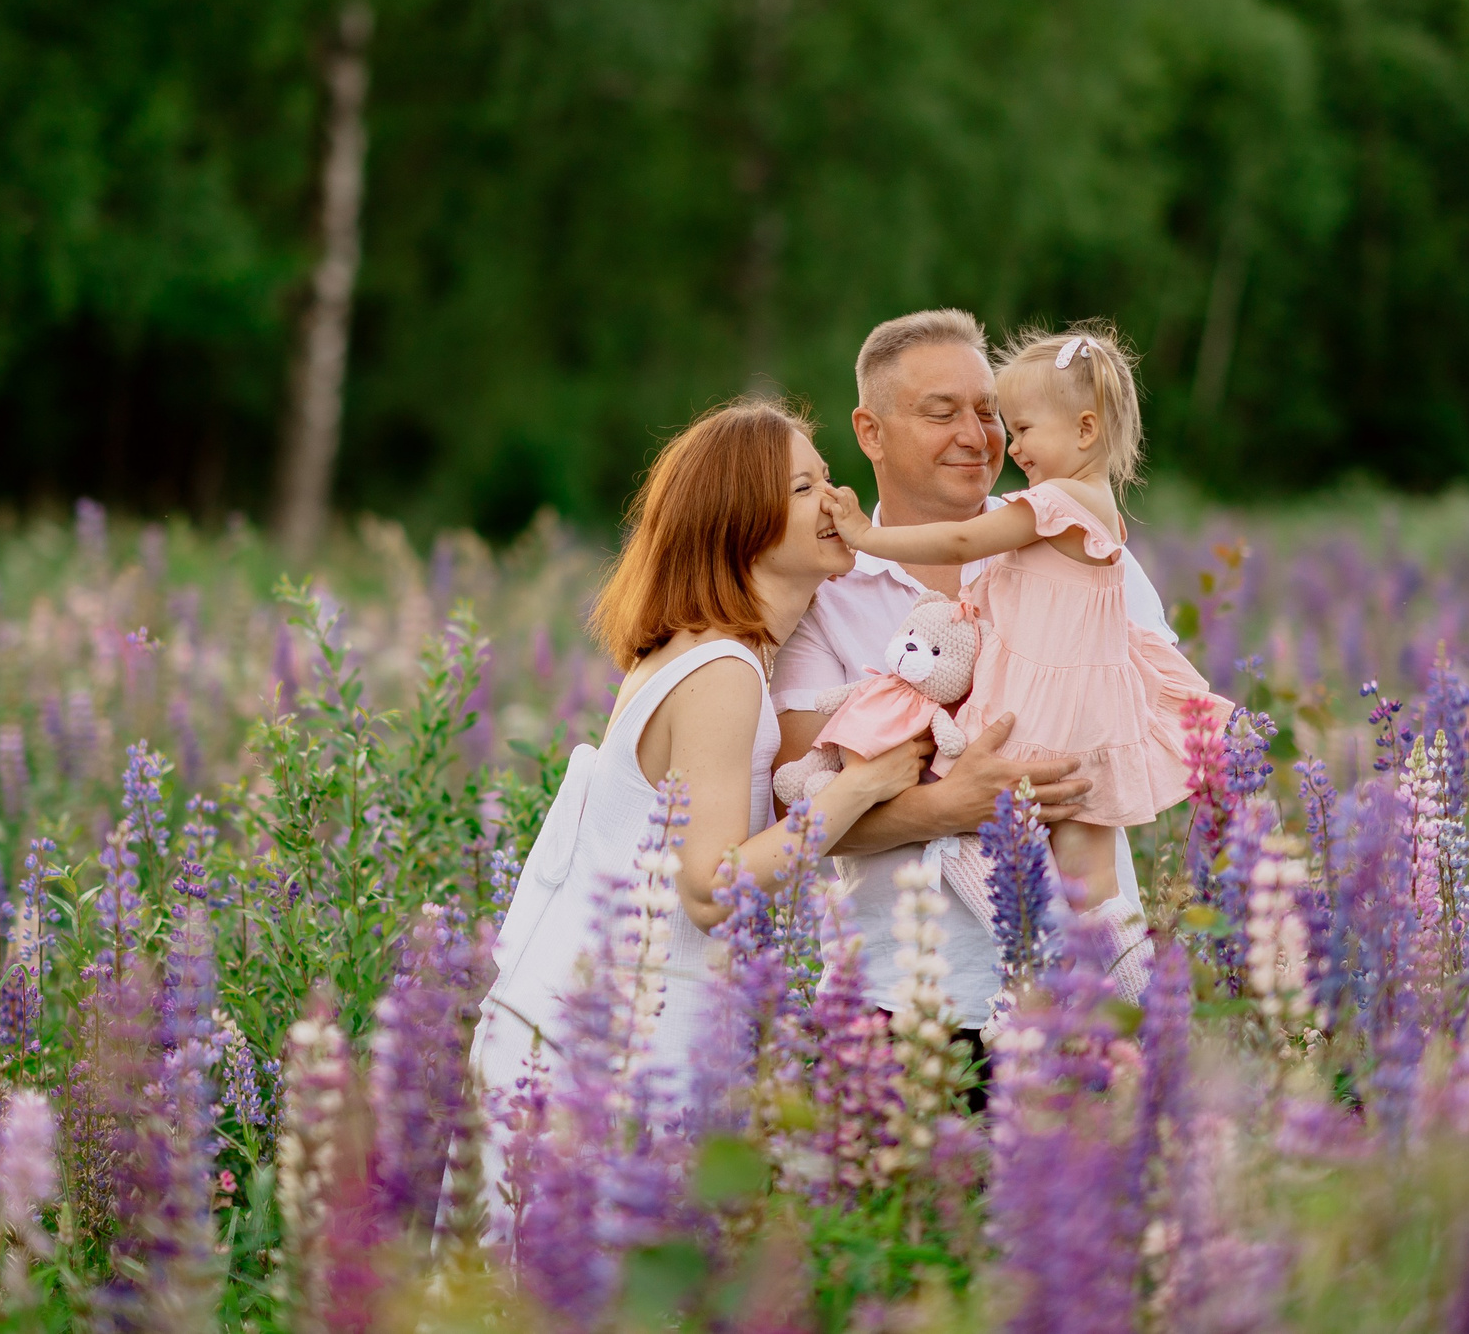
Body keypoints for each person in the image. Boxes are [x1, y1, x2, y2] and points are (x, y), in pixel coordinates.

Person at [472, 400, 922, 1184]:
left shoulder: (697, 650)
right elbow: (712, 888)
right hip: (611, 1048)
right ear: (740, 519)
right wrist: (863, 786)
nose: (835, 501)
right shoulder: (722, 671)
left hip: (578, 1028)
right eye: (804, 488)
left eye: (828, 478)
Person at [773, 310, 1188, 1040]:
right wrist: (957, 803)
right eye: (943, 413)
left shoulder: (1073, 544)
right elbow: (800, 812)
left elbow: (1145, 714)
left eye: (992, 412)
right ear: (870, 432)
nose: (980, 435)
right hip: (905, 999)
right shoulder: (825, 592)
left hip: (1082, 1001)